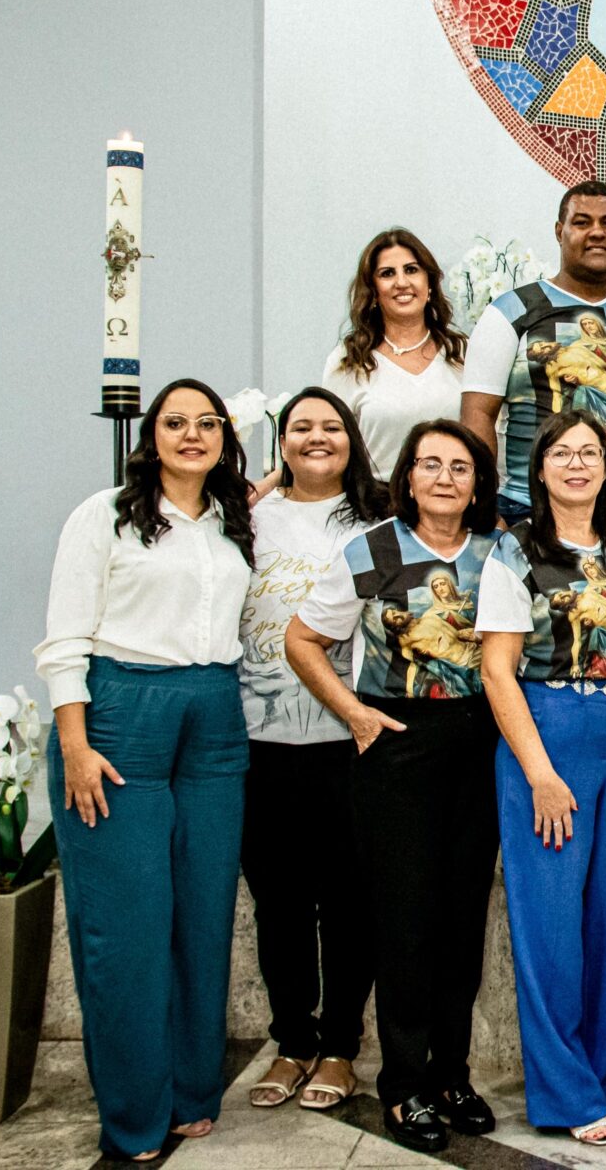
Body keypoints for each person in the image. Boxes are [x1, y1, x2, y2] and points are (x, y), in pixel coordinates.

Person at [34, 380, 257, 1162]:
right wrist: (75, 742)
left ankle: (193, 1090)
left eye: (206, 423)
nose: (191, 435)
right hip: (121, 716)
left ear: (226, 435)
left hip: (215, 719)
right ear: (151, 435)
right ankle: (133, 1114)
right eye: (175, 423)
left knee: (201, 917)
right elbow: (64, 637)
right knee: (125, 928)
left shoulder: (234, 520)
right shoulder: (104, 516)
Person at [285, 420, 502, 1154]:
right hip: (397, 746)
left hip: (480, 742)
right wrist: (353, 712)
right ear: (407, 477)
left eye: (460, 467)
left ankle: (451, 1075)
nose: (445, 478)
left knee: (461, 922)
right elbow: (302, 639)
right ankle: (405, 1088)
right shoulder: (371, 549)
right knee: (406, 923)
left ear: (478, 483)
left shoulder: (500, 551)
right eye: (430, 465)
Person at [476, 412, 606, 1146]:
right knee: (550, 922)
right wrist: (541, 774)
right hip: (550, 737)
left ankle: (598, 1076)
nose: (577, 464)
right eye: (562, 454)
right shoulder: (513, 553)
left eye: (590, 452)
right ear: (540, 469)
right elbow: (496, 669)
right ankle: (560, 1091)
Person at [240, 388, 390, 1115]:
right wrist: (260, 488)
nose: (317, 437)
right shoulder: (247, 518)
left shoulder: (377, 514)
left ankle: (339, 1048)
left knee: (348, 899)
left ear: (352, 439)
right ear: (283, 442)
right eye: (302, 427)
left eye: (332, 426)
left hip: (348, 738)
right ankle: (291, 1040)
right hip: (258, 739)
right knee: (279, 902)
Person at [461, 181, 606, 533]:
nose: (597, 233)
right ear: (560, 232)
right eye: (581, 222)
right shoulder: (511, 311)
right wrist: (484, 510)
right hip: (531, 513)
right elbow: (478, 414)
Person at [322, 228, 470, 476]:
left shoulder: (462, 352)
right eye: (387, 273)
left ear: (429, 284)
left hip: (452, 502)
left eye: (411, 270)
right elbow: (328, 443)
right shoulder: (348, 361)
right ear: (374, 291)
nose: (402, 282)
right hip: (376, 505)